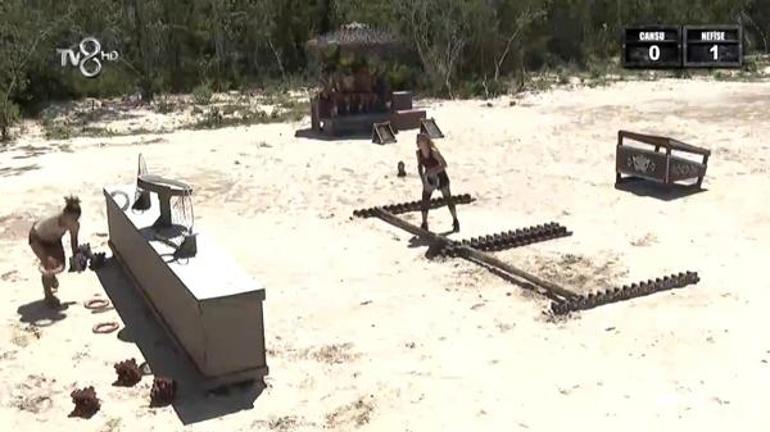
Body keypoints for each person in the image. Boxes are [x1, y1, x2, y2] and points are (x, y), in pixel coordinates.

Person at [28, 195, 81, 307]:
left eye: (75, 219)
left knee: (61, 265)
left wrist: (77, 258)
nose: (73, 222)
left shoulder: (74, 225)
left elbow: (74, 242)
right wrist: (46, 258)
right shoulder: (51, 220)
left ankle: (51, 277)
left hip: (54, 239)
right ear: (64, 214)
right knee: (48, 266)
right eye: (71, 219)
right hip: (37, 238)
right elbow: (35, 235)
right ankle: (48, 295)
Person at [416, 133, 459, 232]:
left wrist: (433, 170)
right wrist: (423, 180)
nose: (420, 143)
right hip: (429, 178)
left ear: (426, 142)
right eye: (419, 141)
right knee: (425, 200)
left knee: (448, 198)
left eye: (422, 141)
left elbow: (444, 164)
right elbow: (419, 166)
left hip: (441, 176)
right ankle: (424, 223)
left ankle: (455, 220)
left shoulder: (434, 152)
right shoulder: (419, 153)